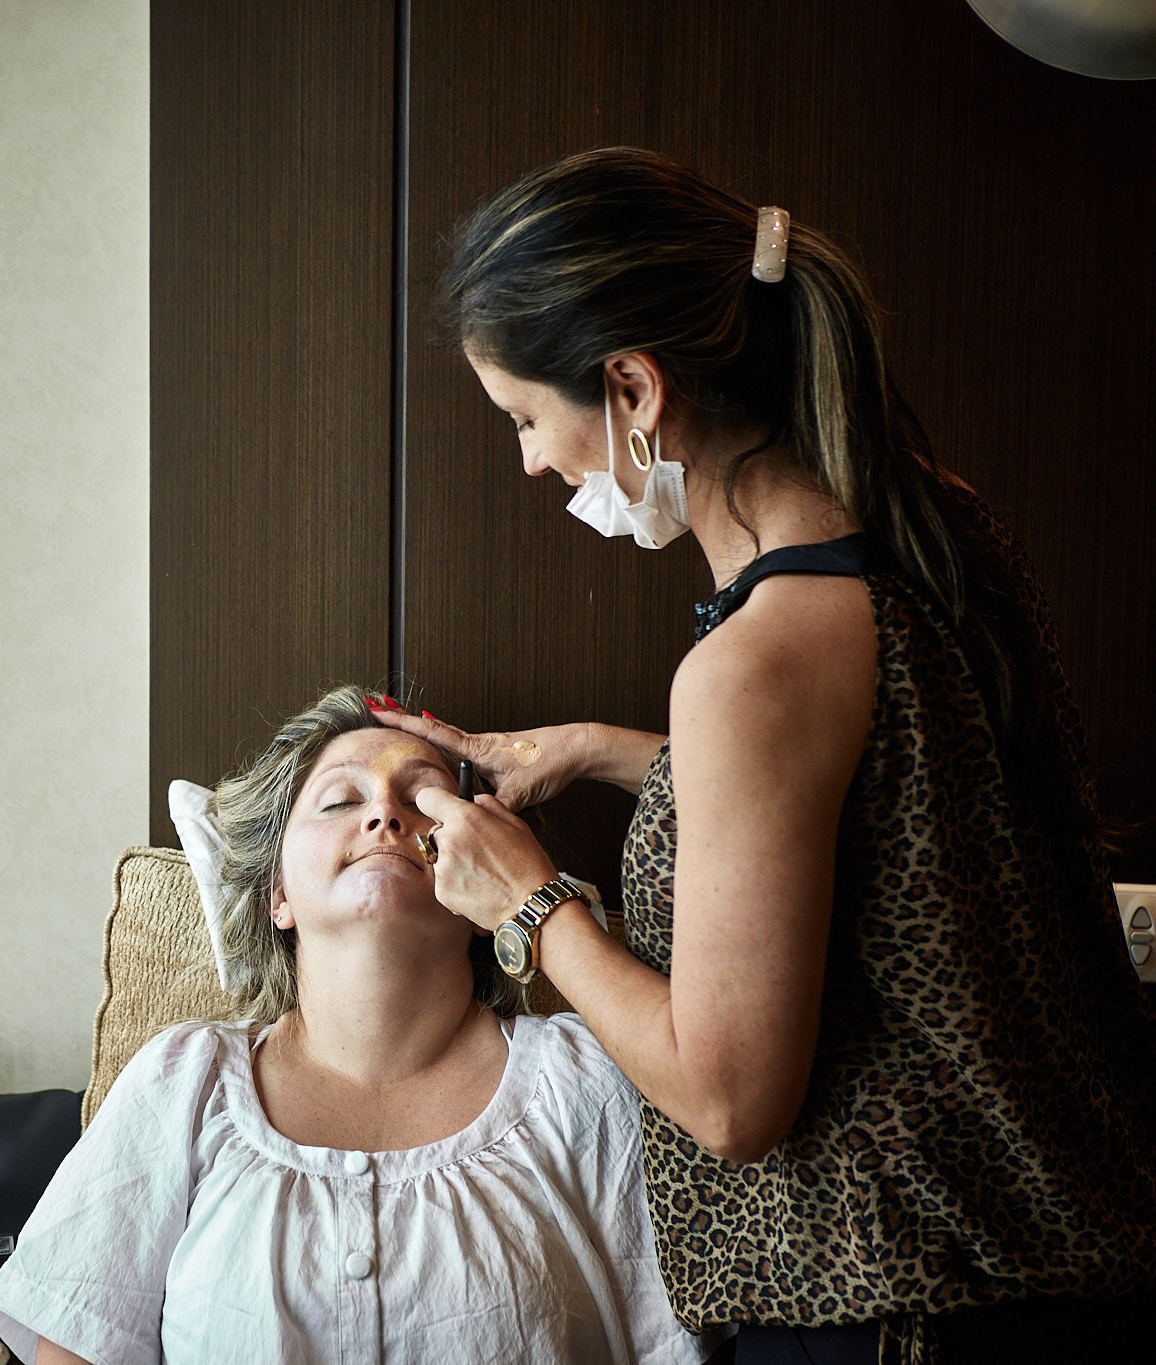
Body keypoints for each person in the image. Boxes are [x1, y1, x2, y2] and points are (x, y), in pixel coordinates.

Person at [372, 147, 1156, 1362]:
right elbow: (893, 808)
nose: (530, 461)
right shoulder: (927, 526)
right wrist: (613, 752)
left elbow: (732, 1102)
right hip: (1057, 1266)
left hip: (894, 1305)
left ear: (631, 388)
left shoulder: (754, 665)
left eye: (526, 418)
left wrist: (527, 906)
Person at [0, 685, 710, 1365]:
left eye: (423, 795)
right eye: (337, 801)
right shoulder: (182, 1080)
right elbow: (74, 1346)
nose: (385, 815)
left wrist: (590, 745)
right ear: (277, 895)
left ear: (488, 871)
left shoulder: (587, 1081)